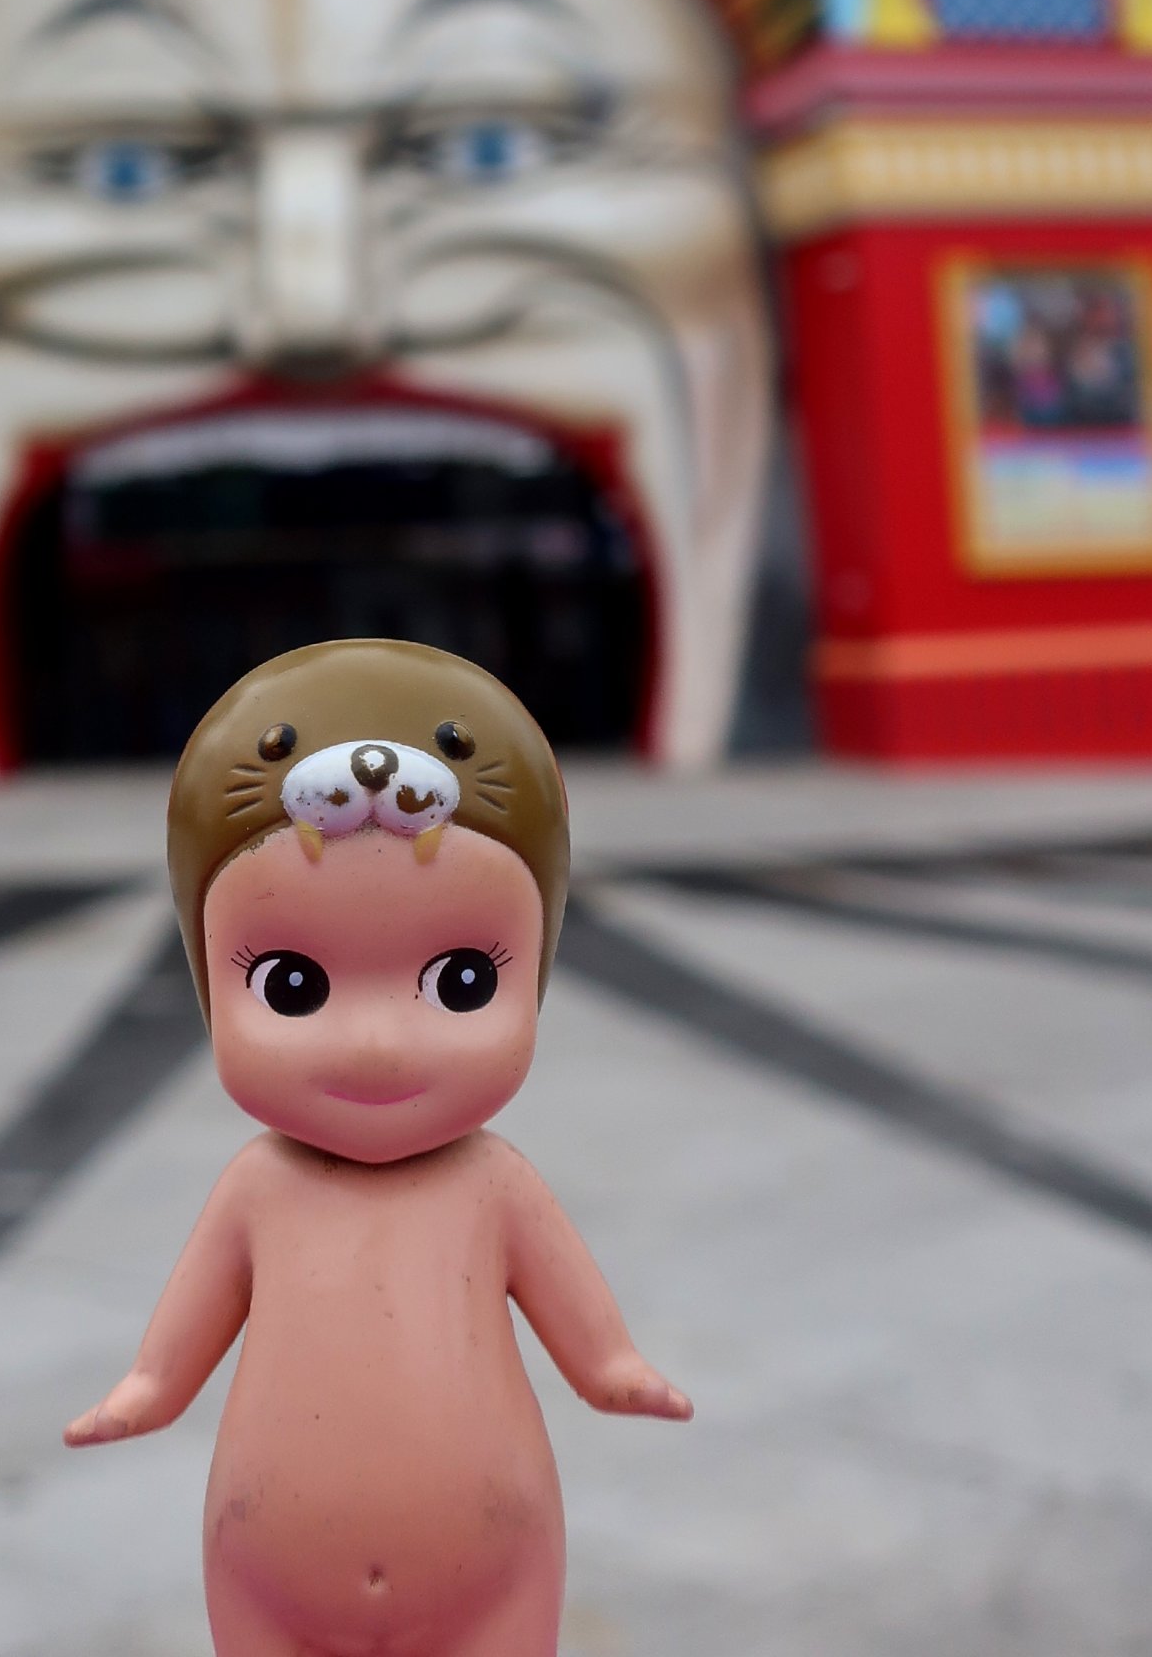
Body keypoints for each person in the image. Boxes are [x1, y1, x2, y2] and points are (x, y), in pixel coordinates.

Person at [65, 633, 691, 1657]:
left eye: (462, 982)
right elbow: (184, 1334)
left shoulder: (494, 1185)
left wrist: (612, 1367)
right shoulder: (258, 1189)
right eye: (292, 986)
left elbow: (585, 1331)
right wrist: (146, 1390)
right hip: (268, 1573)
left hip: (494, 1568)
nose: (375, 1044)